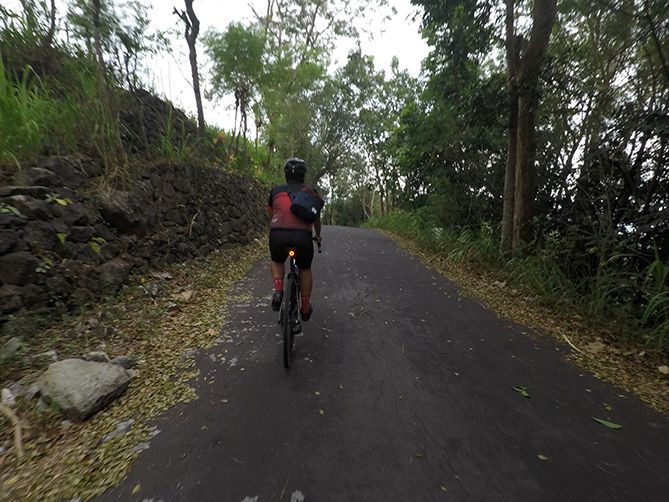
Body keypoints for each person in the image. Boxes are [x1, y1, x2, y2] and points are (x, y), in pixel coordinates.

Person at [267, 158, 323, 321]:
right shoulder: (311, 193)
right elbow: (316, 219)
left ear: (285, 174)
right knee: (305, 268)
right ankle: (305, 307)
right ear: (303, 175)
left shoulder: (275, 191)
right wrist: (318, 236)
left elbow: (270, 215)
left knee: (277, 260)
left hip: (278, 235)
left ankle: (278, 290)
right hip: (302, 238)